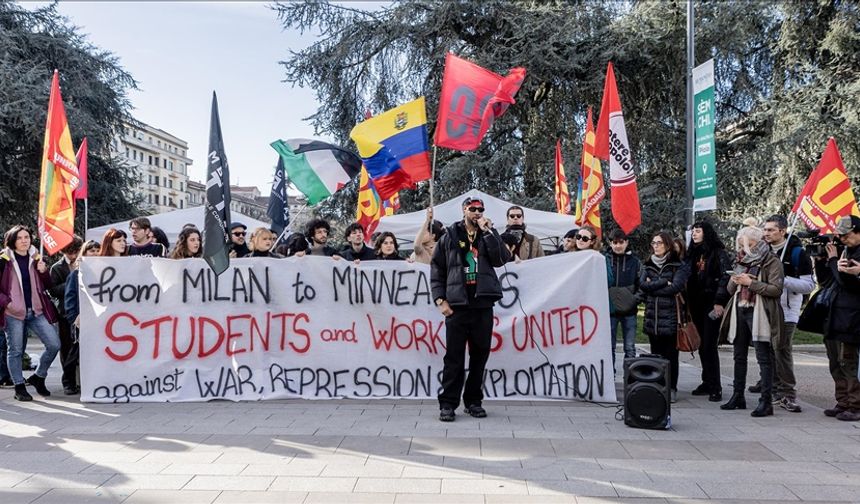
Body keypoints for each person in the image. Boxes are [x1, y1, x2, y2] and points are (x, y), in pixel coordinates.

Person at [431, 196, 510, 422]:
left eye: (480, 209)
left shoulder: (488, 235)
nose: (477, 212)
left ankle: (473, 401)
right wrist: (440, 300)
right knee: (454, 357)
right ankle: (448, 404)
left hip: (482, 304)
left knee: (480, 355)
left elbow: (501, 259)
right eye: (473, 209)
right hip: (457, 305)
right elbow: (437, 269)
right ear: (464, 210)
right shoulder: (449, 236)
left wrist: (490, 233)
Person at [719, 220, 784, 417]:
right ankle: (738, 395)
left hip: (761, 311)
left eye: (746, 244)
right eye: (739, 245)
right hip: (740, 308)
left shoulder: (771, 261)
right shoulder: (741, 261)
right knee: (739, 355)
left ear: (756, 243)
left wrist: (751, 283)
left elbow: (776, 290)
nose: (742, 249)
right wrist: (734, 280)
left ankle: (766, 401)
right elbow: (731, 290)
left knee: (763, 357)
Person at [758, 214, 814, 412]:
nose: (766, 233)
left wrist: (783, 281)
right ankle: (773, 390)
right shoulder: (762, 251)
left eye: (771, 230)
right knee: (767, 351)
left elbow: (809, 285)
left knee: (782, 351)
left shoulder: (797, 253)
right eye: (765, 229)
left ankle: (788, 394)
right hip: (763, 308)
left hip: (786, 311)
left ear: (782, 231)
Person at [0, 225, 62, 401]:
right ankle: (19, 387)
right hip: (13, 312)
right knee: (16, 350)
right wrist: (8, 303)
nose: (24, 241)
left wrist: (43, 272)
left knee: (54, 344)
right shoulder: (4, 260)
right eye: (19, 238)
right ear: (12, 240)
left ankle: (38, 376)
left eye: (26, 237)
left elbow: (48, 285)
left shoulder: (36, 258)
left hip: (36, 310)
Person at [640, 230, 690, 403]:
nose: (656, 246)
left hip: (670, 317)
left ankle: (671, 388)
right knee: (655, 354)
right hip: (653, 317)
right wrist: (662, 282)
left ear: (668, 245)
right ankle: (657, 385)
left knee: (670, 356)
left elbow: (675, 288)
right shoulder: (648, 264)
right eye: (653, 243)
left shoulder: (678, 265)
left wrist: (653, 286)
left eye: (659, 243)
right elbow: (642, 285)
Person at [685, 221, 731, 402]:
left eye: (698, 231)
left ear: (706, 233)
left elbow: (725, 276)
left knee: (709, 346)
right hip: (695, 303)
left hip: (711, 304)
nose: (694, 234)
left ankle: (715, 386)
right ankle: (706, 381)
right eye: (693, 231)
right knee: (702, 345)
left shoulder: (718, 253)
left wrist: (719, 301)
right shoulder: (692, 253)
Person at [821, 215, 860, 421]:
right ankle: (842, 401)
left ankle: (855, 405)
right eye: (840, 235)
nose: (842, 239)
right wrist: (824, 262)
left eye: (846, 235)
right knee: (835, 362)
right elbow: (826, 281)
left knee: (848, 362)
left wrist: (835, 261)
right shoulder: (845, 250)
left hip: (852, 318)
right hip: (834, 315)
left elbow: (849, 284)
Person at [60, 240, 101, 396]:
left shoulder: (104, 272)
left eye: (98, 250)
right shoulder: (76, 274)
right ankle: (68, 382)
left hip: (97, 319)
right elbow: (69, 298)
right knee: (75, 352)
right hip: (80, 319)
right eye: (91, 251)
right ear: (84, 254)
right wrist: (73, 317)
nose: (95, 254)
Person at [48, 235, 83, 395]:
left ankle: (79, 379)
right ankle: (68, 381)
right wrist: (72, 283)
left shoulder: (84, 264)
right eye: (70, 252)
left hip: (82, 311)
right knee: (66, 346)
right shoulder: (57, 267)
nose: (73, 256)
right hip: (64, 313)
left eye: (76, 251)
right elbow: (52, 290)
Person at [606, 229, 640, 367]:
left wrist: (634, 299)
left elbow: (642, 284)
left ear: (626, 242)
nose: (618, 245)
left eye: (621, 242)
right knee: (609, 347)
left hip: (630, 312)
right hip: (610, 312)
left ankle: (630, 380)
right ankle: (610, 378)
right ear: (610, 243)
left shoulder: (635, 262)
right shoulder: (604, 260)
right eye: (614, 242)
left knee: (630, 348)